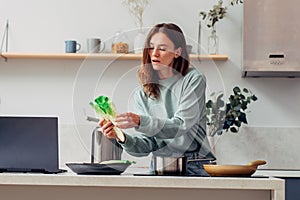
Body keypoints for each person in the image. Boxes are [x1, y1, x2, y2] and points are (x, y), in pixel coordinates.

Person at [99, 23, 216, 176]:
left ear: (177, 52)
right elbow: (148, 144)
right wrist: (121, 138)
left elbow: (182, 125)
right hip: (159, 165)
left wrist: (140, 121)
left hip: (194, 165)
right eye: (151, 47)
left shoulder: (193, 79)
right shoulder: (143, 92)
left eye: (162, 48)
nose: (154, 54)